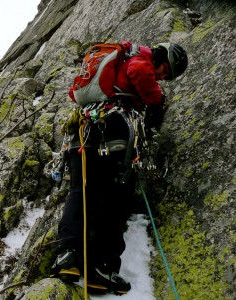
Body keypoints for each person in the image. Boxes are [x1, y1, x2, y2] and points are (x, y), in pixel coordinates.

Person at [50, 41, 188, 294]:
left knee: (80, 192)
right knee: (114, 199)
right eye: (165, 70)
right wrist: (156, 101)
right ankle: (102, 267)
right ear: (160, 56)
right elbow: (140, 73)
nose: (162, 76)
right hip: (111, 130)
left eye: (166, 76)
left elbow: (74, 93)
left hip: (82, 131)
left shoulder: (113, 64)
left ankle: (67, 254)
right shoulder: (140, 61)